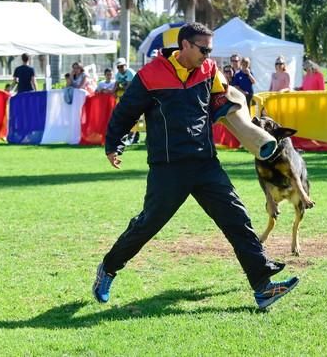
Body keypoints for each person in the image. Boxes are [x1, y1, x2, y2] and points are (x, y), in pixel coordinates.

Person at [92, 22, 299, 310]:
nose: (208, 55)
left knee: (236, 218)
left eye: (210, 50)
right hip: (168, 168)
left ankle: (263, 286)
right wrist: (114, 144)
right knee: (147, 225)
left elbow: (219, 102)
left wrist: (242, 116)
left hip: (205, 163)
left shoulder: (209, 70)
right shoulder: (150, 75)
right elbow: (125, 112)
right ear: (184, 45)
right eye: (203, 49)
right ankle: (109, 268)